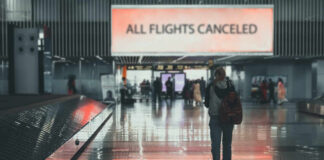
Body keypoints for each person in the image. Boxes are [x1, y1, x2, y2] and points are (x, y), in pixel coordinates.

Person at [205, 67, 235, 160]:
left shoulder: (210, 86)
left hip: (215, 117)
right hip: (228, 118)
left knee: (215, 144)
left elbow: (206, 104)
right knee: (227, 144)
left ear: (216, 75)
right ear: (224, 75)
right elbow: (235, 100)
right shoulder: (230, 85)